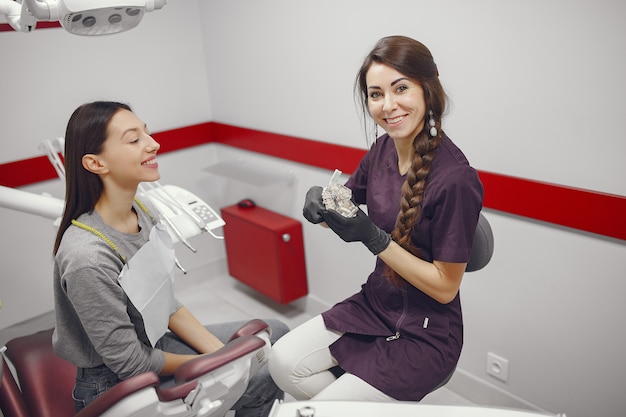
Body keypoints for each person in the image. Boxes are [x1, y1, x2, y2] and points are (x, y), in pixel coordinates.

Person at [268, 35, 484, 402]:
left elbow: (445, 287)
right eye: (376, 94)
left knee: (322, 409)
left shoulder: (455, 179)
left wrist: (375, 238)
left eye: (401, 88)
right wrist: (321, 205)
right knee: (282, 362)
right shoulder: (382, 150)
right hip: (376, 304)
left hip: (427, 333)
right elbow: (348, 212)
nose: (388, 105)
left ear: (427, 88)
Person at [52, 101, 288, 416]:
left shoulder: (144, 212)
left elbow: (165, 304)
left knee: (276, 334)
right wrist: (219, 363)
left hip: (154, 343)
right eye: (134, 140)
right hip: (113, 384)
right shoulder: (87, 258)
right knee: (265, 375)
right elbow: (131, 363)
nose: (154, 144)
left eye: (147, 133)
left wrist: (223, 354)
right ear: (96, 163)